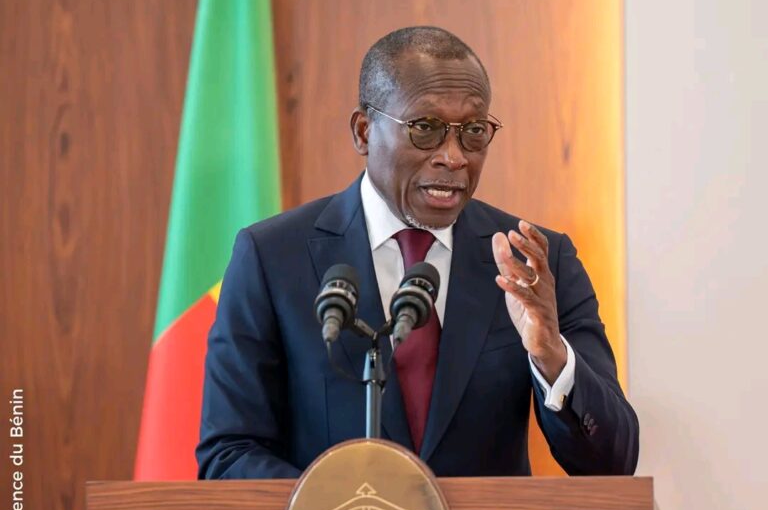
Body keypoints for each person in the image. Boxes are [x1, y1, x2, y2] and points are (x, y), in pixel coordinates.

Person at [196, 26, 639, 479]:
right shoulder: (273, 258)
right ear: (364, 132)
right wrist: (339, 508)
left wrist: (552, 357)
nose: (454, 157)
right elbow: (228, 455)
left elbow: (613, 462)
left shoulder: (535, 263)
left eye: (473, 131)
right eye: (425, 128)